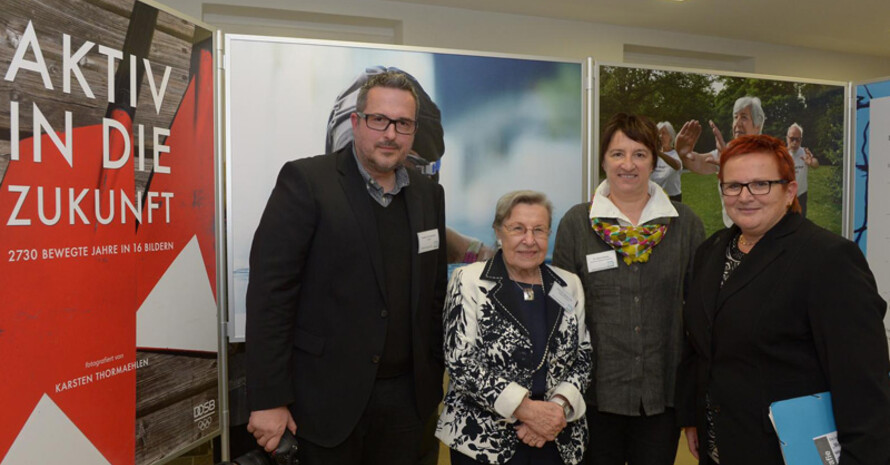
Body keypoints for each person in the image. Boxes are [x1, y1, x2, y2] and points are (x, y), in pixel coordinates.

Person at [244, 70, 447, 465]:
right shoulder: (306, 181)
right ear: (356, 122)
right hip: (324, 405)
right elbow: (271, 296)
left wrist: (432, 375)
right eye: (379, 120)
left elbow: (434, 290)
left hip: (409, 404)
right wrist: (269, 400)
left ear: (413, 131)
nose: (390, 133)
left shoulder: (428, 195)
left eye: (402, 123)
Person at [676, 134, 890, 465]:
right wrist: (693, 415)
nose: (745, 196)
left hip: (786, 452)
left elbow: (863, 382)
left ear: (789, 191)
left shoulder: (828, 259)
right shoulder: (711, 251)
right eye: (733, 186)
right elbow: (700, 344)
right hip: (720, 445)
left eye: (761, 184)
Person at [553, 113, 705, 465]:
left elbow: (700, 317)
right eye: (617, 154)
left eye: (639, 154)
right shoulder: (577, 224)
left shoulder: (685, 226)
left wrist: (694, 402)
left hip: (661, 395)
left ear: (654, 160)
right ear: (603, 160)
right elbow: (561, 317)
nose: (628, 164)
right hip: (593, 396)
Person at [436, 190, 592, 465]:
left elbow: (584, 357)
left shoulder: (568, 284)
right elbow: (460, 362)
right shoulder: (468, 280)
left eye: (539, 230)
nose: (529, 240)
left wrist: (556, 408)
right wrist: (527, 411)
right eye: (518, 228)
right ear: (498, 231)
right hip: (482, 441)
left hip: (556, 437)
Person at [327, 65, 493, 264]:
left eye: (395, 170)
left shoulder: (471, 261)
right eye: (359, 171)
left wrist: (469, 253)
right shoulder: (302, 247)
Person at [676, 96, 765, 227]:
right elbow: (700, 163)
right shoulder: (725, 150)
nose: (737, 123)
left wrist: (730, 165)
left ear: (757, 126)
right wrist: (683, 154)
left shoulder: (768, 155)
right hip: (732, 231)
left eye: (744, 117)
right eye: (735, 117)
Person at [786, 123, 819, 218]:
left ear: (801, 139)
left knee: (800, 224)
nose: (795, 142)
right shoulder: (782, 154)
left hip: (801, 195)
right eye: (792, 139)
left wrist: (811, 161)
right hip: (786, 195)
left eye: (798, 139)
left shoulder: (805, 152)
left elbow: (816, 165)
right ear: (787, 138)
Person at [653, 121, 683, 202]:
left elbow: (677, 165)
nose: (661, 136)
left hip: (673, 198)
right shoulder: (652, 155)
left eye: (664, 133)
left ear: (671, 136)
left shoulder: (675, 154)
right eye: (658, 134)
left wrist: (659, 153)